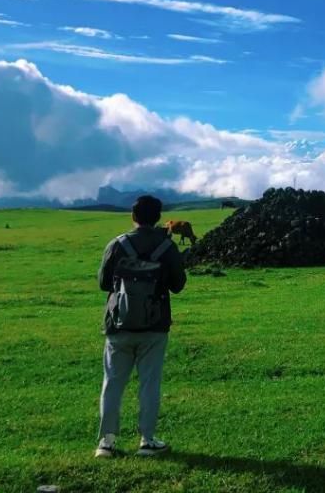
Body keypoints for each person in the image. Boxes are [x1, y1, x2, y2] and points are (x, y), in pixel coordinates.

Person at [95, 195, 187, 458]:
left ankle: (107, 443)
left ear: (133, 217)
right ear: (159, 218)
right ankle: (147, 441)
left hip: (118, 325)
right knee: (149, 383)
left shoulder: (117, 244)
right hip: (155, 327)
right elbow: (179, 285)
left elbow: (103, 283)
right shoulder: (167, 247)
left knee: (112, 383)